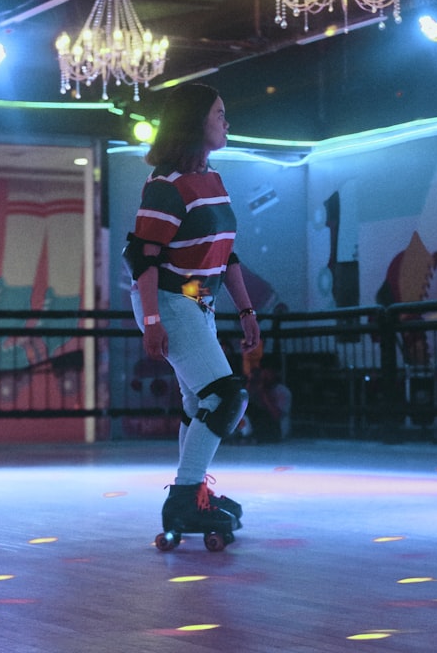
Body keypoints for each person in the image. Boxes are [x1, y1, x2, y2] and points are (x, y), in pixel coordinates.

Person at [126, 83, 261, 537]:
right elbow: (142, 257)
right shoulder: (166, 186)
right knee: (225, 395)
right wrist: (151, 321)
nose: (227, 121)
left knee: (199, 401)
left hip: (197, 302)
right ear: (194, 121)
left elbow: (228, 254)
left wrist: (246, 311)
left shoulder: (213, 180)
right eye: (219, 114)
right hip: (167, 299)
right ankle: (185, 497)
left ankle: (193, 493)